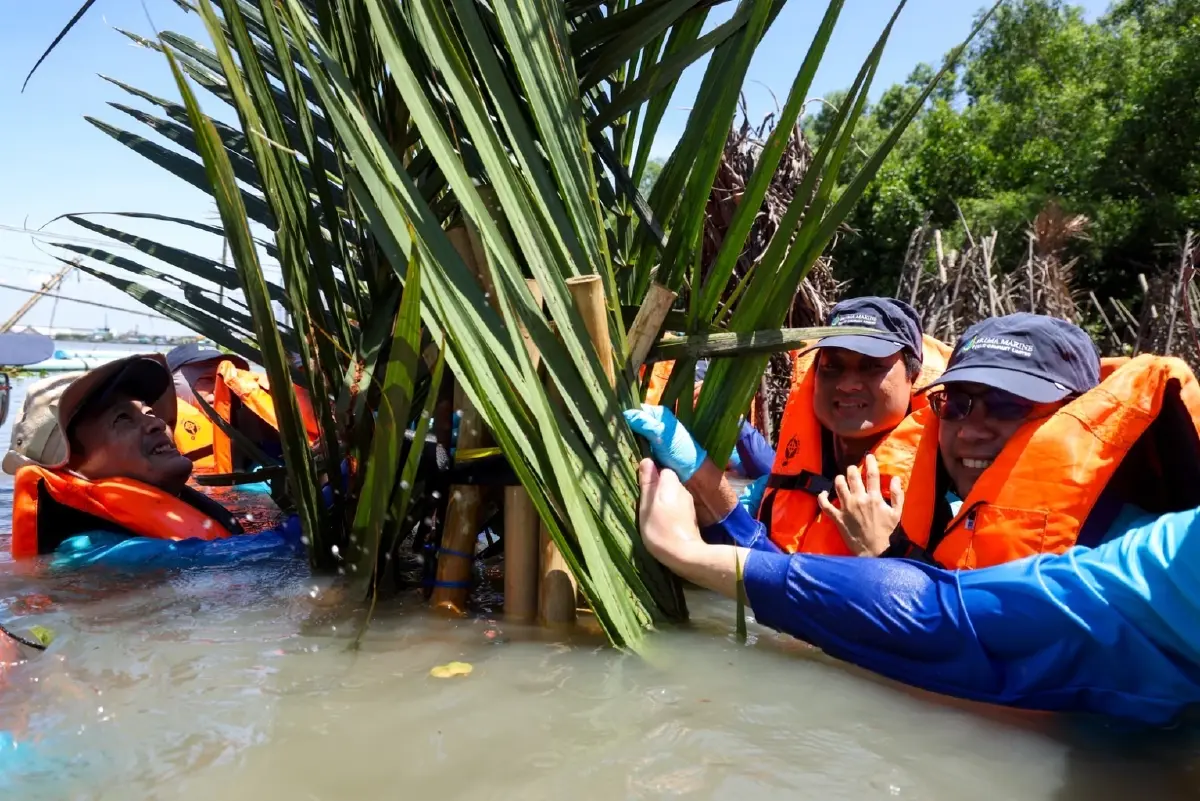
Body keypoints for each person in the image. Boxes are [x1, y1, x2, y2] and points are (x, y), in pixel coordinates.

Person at [635, 457, 1200, 727]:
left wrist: (688, 552)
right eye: (959, 405)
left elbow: (944, 617)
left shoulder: (1148, 546)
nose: (975, 428)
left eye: (1008, 408)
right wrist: (718, 498)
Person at [626, 297, 951, 556]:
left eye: (871, 368)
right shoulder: (773, 488)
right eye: (832, 367)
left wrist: (884, 553)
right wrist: (690, 480)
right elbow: (736, 557)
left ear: (914, 377)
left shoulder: (949, 502)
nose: (848, 384)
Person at [3, 354, 309, 569]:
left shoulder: (173, 517)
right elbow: (258, 556)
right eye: (122, 419)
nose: (156, 422)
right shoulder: (93, 553)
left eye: (148, 411)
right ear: (72, 468)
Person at [165, 343, 319, 474]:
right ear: (177, 386)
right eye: (207, 380)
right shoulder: (161, 435)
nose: (219, 388)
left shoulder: (257, 428)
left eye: (223, 378)